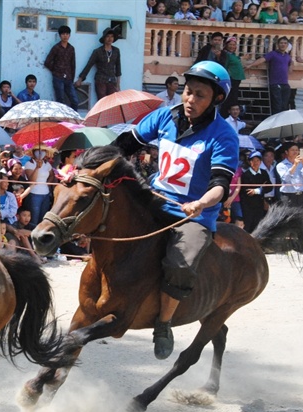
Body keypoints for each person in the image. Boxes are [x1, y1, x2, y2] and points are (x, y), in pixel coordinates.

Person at [114, 60, 238, 360]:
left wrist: (201, 203)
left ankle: (164, 323)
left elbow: (221, 184)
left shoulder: (224, 135)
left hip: (192, 214)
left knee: (180, 264)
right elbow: (124, 145)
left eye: (199, 95)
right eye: (187, 91)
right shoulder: (164, 116)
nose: (190, 100)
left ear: (217, 100)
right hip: (154, 199)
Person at [245, 37, 293, 115]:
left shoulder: (287, 56)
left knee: (284, 107)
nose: (283, 45)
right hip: (275, 84)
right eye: (281, 43)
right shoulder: (273, 54)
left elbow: (290, 63)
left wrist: (291, 65)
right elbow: (262, 60)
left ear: (287, 45)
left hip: (285, 84)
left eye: (285, 43)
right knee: (277, 106)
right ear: (278, 44)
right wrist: (250, 65)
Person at [76, 27, 122, 101]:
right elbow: (89, 65)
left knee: (112, 103)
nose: (110, 38)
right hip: (101, 80)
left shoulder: (116, 51)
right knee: (102, 102)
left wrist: (118, 84)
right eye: (107, 36)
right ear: (104, 38)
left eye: (112, 36)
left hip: (112, 81)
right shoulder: (97, 51)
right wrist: (80, 79)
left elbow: (118, 67)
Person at [44, 25, 79, 111]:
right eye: (63, 34)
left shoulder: (71, 48)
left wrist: (72, 78)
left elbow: (73, 64)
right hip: (58, 78)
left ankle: (73, 120)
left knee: (75, 101)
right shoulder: (56, 48)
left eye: (67, 34)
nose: (65, 36)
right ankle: (60, 122)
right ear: (60, 35)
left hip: (68, 78)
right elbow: (47, 62)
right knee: (60, 101)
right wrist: (56, 70)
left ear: (69, 35)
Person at [239, 151, 272, 232]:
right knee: (248, 225)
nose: (255, 163)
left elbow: (269, 186)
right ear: (250, 162)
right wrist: (261, 187)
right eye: (253, 160)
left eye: (257, 160)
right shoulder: (246, 175)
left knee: (258, 226)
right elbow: (248, 191)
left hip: (260, 204)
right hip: (248, 205)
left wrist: (258, 190)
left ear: (260, 162)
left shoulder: (263, 173)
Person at [23, 145, 55, 226]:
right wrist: (37, 167)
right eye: (38, 150)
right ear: (33, 152)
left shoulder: (47, 164)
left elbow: (52, 175)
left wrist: (47, 185)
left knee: (43, 217)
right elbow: (32, 180)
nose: (41, 152)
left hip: (46, 194)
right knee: (34, 218)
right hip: (34, 193)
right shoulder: (29, 164)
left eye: (43, 150)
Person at [275, 141, 303, 207]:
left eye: (297, 150)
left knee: (301, 216)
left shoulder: (302, 163)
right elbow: (286, 179)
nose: (295, 152)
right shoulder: (281, 165)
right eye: (292, 150)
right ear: (286, 152)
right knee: (289, 216)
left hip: (301, 195)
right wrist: (295, 165)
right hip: (288, 195)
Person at [222, 36, 246, 115]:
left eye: (234, 45)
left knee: (234, 98)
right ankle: (227, 116)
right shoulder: (226, 55)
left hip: (236, 79)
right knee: (230, 99)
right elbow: (225, 66)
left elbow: (236, 59)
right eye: (230, 44)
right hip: (231, 79)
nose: (232, 46)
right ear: (226, 45)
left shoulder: (232, 55)